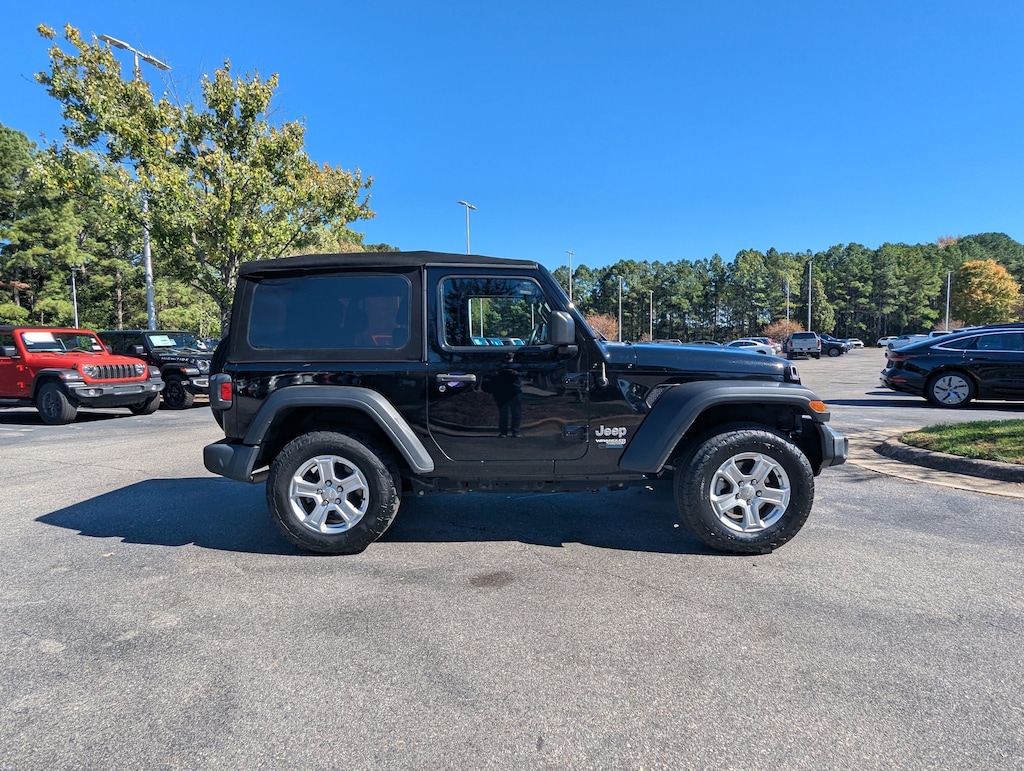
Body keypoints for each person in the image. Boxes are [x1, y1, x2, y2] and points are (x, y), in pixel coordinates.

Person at [488, 353, 522, 437]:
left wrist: (517, 373)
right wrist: (495, 373)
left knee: (516, 412)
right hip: (501, 390)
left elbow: (525, 372)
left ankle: (515, 431)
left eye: (511, 352)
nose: (508, 354)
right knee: (503, 412)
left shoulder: (518, 364)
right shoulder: (498, 364)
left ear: (514, 354)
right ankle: (503, 432)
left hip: (515, 390)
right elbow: (489, 373)